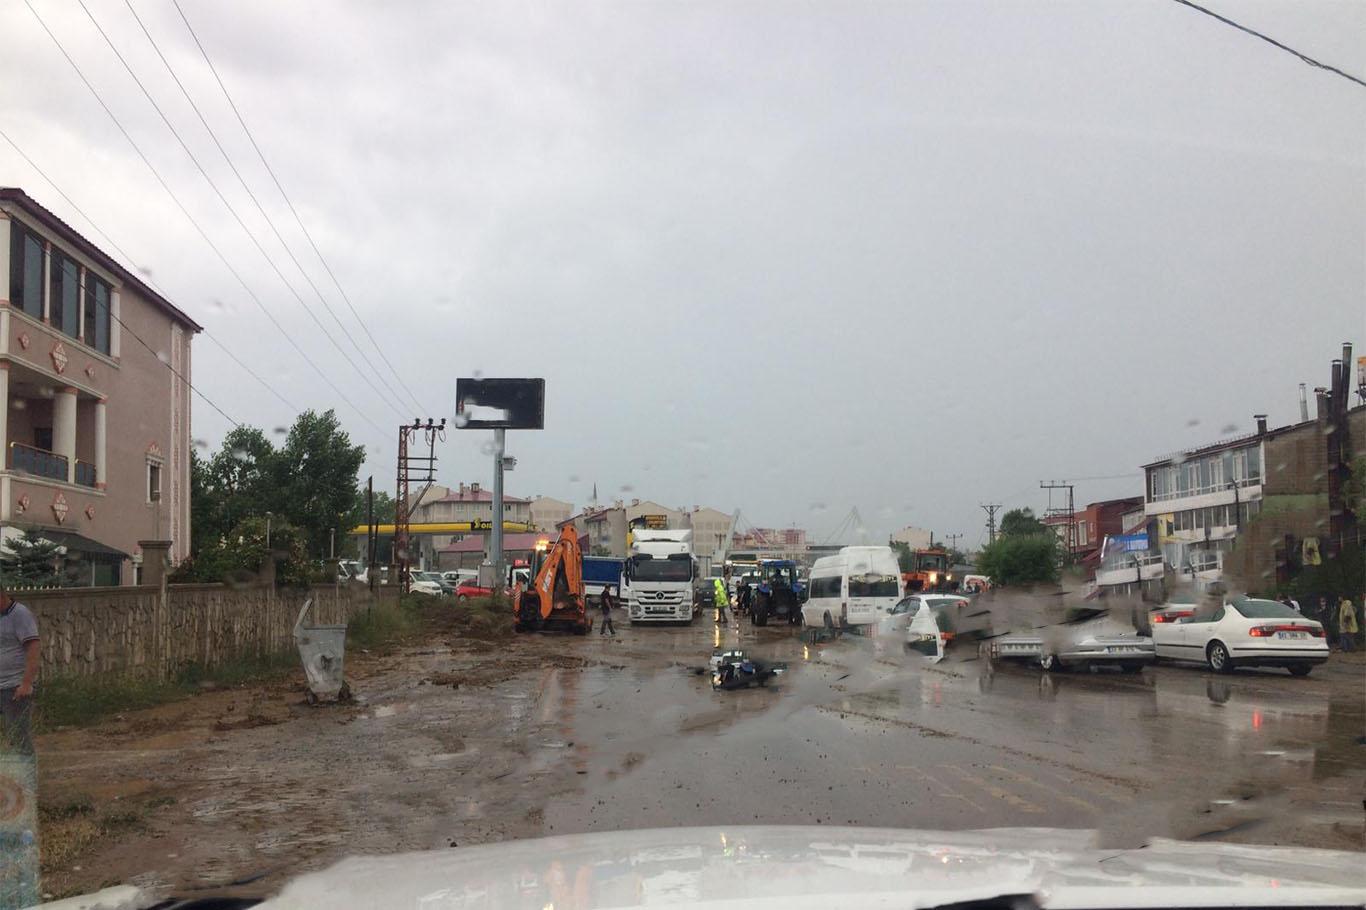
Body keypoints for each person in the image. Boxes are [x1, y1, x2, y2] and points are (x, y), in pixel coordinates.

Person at [1, 587, 40, 756]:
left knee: (18, 735)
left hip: (14, 687)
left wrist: (26, 684)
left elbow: (33, 648)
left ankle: (25, 772)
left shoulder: (20, 614)